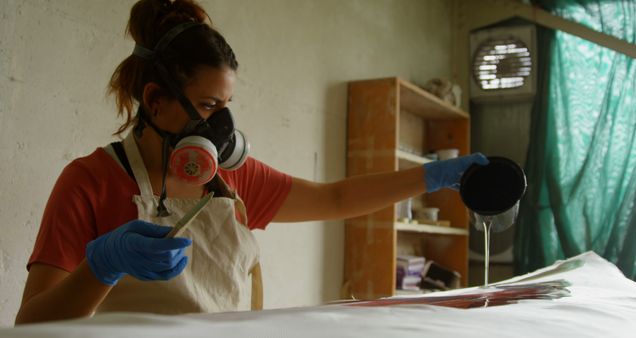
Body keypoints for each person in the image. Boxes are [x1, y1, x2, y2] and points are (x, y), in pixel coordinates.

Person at [14, 0, 488, 325]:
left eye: (225, 107)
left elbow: (335, 197)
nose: (221, 126)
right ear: (156, 100)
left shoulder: (231, 175)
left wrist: (432, 177)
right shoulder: (90, 181)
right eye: (206, 107)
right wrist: (103, 266)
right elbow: (31, 322)